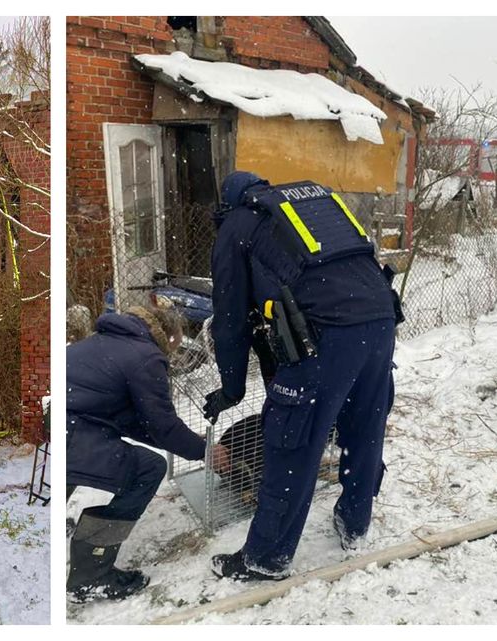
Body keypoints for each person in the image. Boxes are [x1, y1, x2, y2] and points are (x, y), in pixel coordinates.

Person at [204, 171, 399, 581]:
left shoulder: (239, 224)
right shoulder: (313, 203)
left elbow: (229, 318)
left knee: (293, 444)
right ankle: (355, 520)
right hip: (381, 319)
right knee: (364, 426)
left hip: (326, 333)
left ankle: (266, 559)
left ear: (229, 204)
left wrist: (232, 388)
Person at [66, 304, 230, 602]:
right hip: (76, 434)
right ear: (167, 336)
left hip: (64, 427)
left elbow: (133, 421)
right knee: (149, 468)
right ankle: (90, 576)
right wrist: (205, 450)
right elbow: (162, 425)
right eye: (176, 347)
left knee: (80, 463)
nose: (173, 356)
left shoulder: (101, 341)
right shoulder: (145, 356)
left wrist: (179, 442)